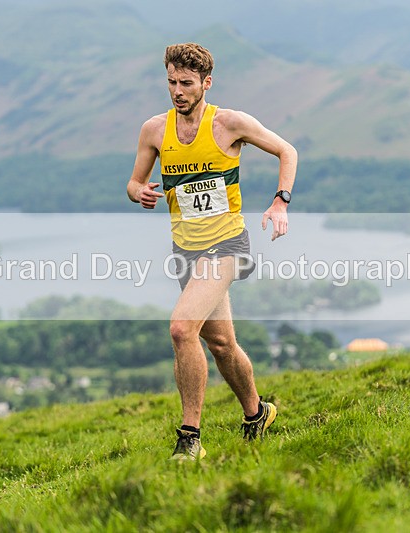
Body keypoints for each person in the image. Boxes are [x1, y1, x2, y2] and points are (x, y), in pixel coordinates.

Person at [126, 43, 298, 460]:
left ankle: (190, 439)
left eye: (186, 83)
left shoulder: (229, 123)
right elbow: (133, 182)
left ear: (206, 82)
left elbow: (286, 151)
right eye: (171, 82)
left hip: (228, 245)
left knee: (182, 329)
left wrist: (280, 201)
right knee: (221, 345)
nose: (178, 91)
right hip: (186, 250)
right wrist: (139, 193)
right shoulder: (155, 130)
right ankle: (257, 413)